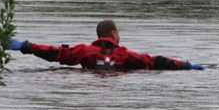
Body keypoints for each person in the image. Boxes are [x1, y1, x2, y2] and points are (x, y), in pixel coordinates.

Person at [18, 19, 203, 70]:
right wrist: (185, 65)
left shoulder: (84, 51)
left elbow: (56, 54)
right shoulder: (124, 54)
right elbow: (153, 61)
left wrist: (26, 46)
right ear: (113, 34)